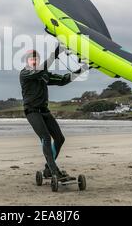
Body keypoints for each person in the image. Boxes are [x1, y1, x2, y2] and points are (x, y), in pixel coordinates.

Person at [19, 44, 87, 180]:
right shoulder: (25, 73)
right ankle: (54, 170)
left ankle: (48, 169)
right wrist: (54, 54)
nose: (34, 61)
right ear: (27, 62)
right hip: (32, 112)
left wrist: (82, 70)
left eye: (36, 59)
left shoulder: (43, 75)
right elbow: (40, 70)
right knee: (46, 138)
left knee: (60, 138)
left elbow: (62, 80)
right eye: (31, 59)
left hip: (44, 111)